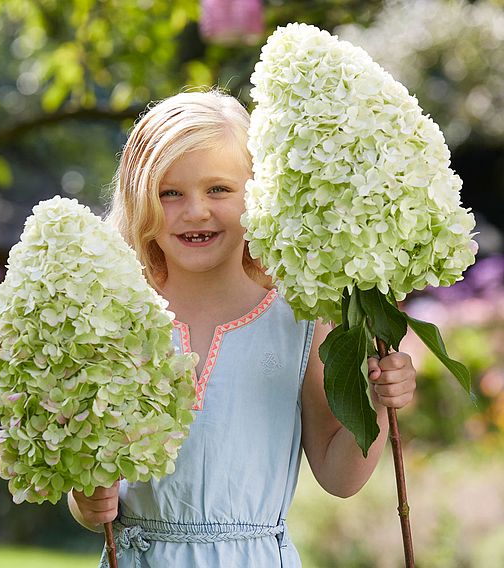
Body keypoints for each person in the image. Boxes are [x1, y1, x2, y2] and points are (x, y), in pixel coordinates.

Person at [67, 90, 417, 567]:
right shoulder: (116, 313)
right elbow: (90, 477)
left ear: (260, 193)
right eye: (170, 193)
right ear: (138, 197)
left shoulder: (298, 316)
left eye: (219, 189)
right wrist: (87, 504)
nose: (195, 211)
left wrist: (377, 405)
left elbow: (340, 477)